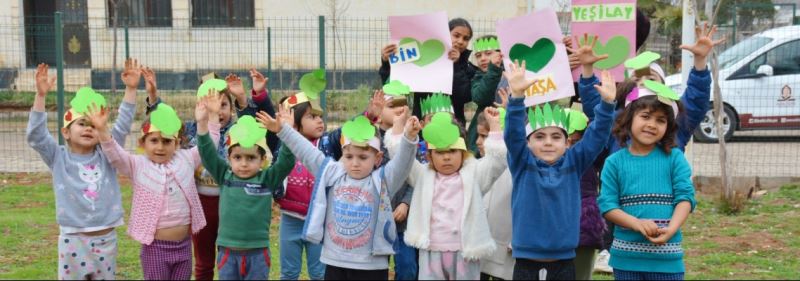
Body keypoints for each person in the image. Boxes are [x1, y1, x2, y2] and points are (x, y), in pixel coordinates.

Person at [258, 106, 419, 280]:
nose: (355, 163)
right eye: (349, 156)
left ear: (378, 158)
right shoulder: (332, 173)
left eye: (363, 157)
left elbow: (402, 164)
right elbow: (306, 152)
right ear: (343, 153)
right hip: (335, 262)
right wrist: (283, 130)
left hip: (371, 265)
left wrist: (409, 138)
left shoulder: (383, 180)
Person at [26, 60, 140, 280]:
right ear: (66, 132)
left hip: (106, 238)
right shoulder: (57, 156)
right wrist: (40, 97)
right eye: (81, 123)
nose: (89, 128)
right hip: (72, 239)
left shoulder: (108, 153)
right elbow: (36, 135)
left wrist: (131, 89)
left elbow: (123, 125)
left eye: (93, 124)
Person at [504, 60, 617, 280]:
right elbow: (513, 135)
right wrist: (516, 98)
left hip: (564, 262)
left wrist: (607, 106)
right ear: (528, 143)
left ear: (567, 144)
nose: (548, 142)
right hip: (526, 262)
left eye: (556, 137)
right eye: (539, 137)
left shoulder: (574, 163)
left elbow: (596, 137)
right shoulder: (522, 163)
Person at [385, 107, 507, 280]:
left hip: (465, 252)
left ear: (463, 152)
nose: (446, 157)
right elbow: (401, 161)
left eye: (452, 151)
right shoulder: (422, 175)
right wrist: (401, 130)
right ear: (430, 156)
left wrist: (495, 127)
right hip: (432, 252)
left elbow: (497, 161)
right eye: (440, 153)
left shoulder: (474, 174)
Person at [597, 81, 695, 281]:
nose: (652, 124)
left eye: (660, 120)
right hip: (625, 261)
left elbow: (685, 198)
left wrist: (672, 229)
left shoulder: (675, 158)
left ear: (668, 127)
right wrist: (636, 224)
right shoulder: (614, 162)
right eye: (645, 116)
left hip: (668, 261)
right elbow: (608, 206)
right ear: (628, 118)